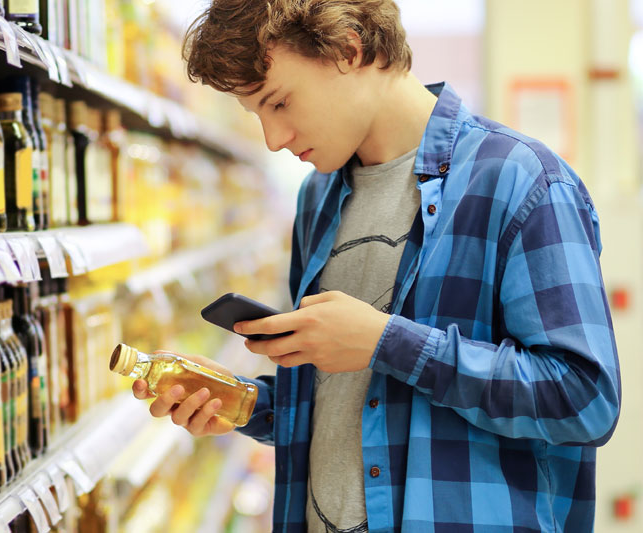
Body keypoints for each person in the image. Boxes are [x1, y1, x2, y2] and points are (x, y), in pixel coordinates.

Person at [131, 0, 621, 531]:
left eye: (280, 103)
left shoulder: (522, 181)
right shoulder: (318, 198)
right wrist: (242, 402)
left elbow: (584, 398)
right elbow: (354, 404)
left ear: (349, 49)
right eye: (257, 116)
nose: (273, 139)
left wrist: (386, 342)